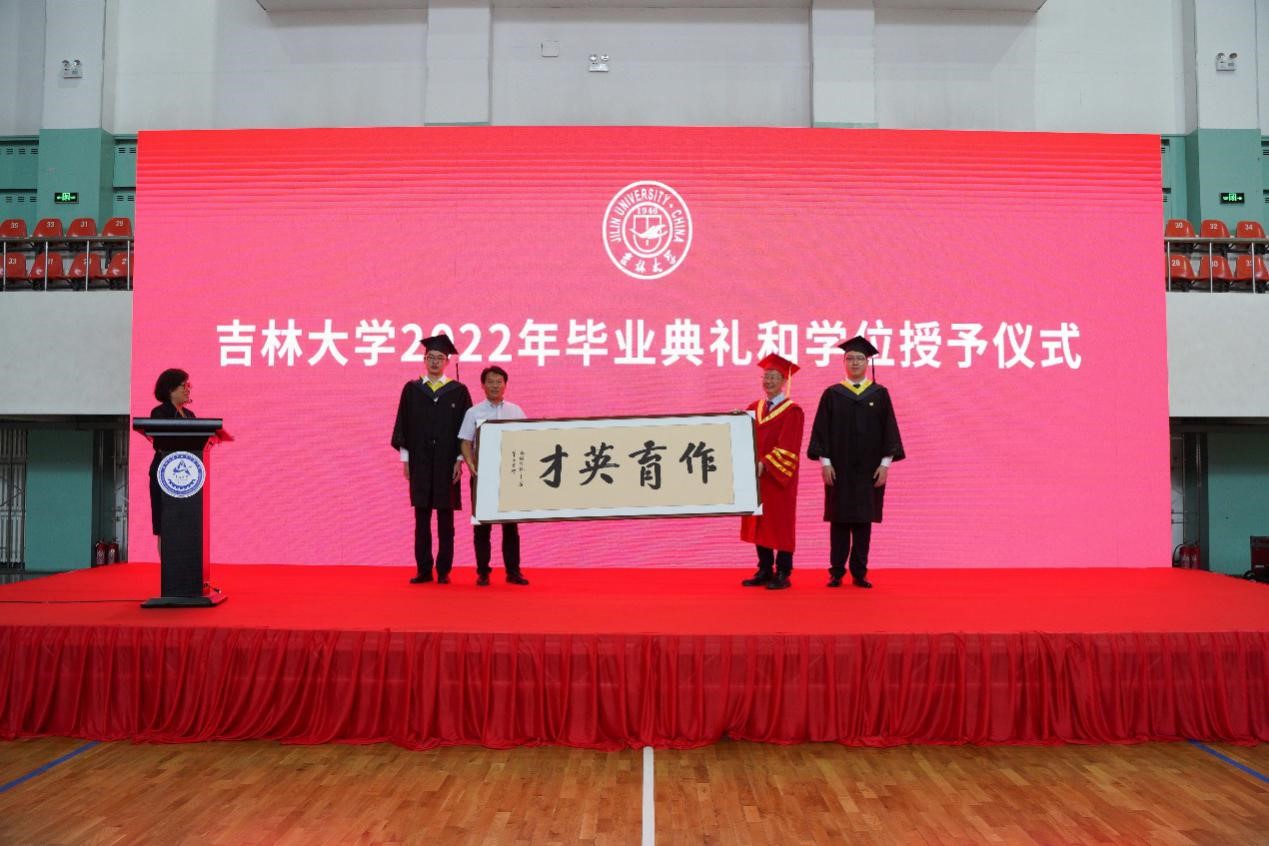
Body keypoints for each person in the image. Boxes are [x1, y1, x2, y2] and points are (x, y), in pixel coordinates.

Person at [807, 336, 905, 589]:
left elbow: (889, 431)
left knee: (863, 520)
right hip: (838, 469)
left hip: (869, 470)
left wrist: (885, 465)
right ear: (844, 362)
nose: (854, 362)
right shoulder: (832, 394)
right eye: (850, 358)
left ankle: (860, 572)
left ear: (867, 362)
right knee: (839, 520)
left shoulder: (879, 394)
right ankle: (836, 572)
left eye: (860, 358)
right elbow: (821, 431)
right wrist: (825, 463)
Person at [391, 334, 473, 585]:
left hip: (447, 462)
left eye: (439, 358)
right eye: (430, 357)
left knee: (446, 519)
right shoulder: (412, 389)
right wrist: (406, 460)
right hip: (421, 462)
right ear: (424, 360)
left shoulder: (458, 392)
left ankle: (444, 569)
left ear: (447, 362)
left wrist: (459, 460)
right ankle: (424, 569)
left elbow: (465, 431)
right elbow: (403, 426)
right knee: (422, 518)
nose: (435, 362)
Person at [459, 366, 529, 586]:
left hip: (509, 476)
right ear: (483, 385)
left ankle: (513, 572)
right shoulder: (473, 412)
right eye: (490, 381)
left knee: (511, 527)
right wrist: (471, 465)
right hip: (482, 476)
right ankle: (483, 572)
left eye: (499, 381)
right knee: (482, 527)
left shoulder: (516, 411)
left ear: (505, 385)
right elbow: (465, 442)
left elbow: (527, 439)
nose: (495, 385)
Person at [740, 353, 804, 591]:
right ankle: (765, 569)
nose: (768, 381)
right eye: (766, 376)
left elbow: (789, 446)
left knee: (780, 523)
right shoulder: (752, 408)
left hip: (778, 478)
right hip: (756, 477)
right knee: (761, 521)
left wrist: (765, 463)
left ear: (784, 381)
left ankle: (783, 571)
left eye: (774, 377)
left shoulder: (793, 411)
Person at [148, 368, 195, 543]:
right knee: (165, 524)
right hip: (164, 471)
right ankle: (168, 561)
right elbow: (162, 439)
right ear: (170, 389)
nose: (188, 389)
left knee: (185, 524)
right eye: (184, 385)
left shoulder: (190, 415)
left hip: (188, 476)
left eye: (189, 385)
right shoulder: (159, 413)